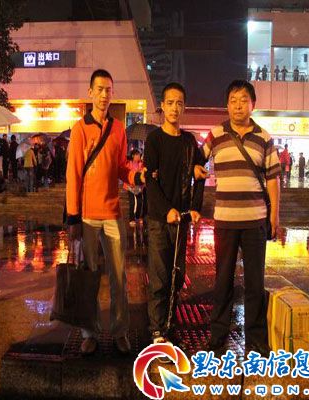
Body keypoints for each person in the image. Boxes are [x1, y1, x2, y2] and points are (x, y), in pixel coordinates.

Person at [198, 80, 281, 356]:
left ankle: (256, 339)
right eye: (233, 100)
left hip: (255, 220)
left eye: (244, 100)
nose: (238, 105)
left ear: (252, 104)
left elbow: (273, 180)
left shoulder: (264, 137)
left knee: (255, 282)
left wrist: (274, 217)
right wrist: (197, 169)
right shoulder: (215, 135)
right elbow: (197, 161)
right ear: (227, 105)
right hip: (225, 221)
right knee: (223, 280)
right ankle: (218, 335)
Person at [66, 69, 145, 355]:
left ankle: (120, 330)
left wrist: (136, 176)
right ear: (90, 93)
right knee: (89, 276)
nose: (103, 94)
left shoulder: (118, 129)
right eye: (99, 89)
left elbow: (122, 167)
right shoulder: (80, 129)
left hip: (113, 212)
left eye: (108, 89)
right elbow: (74, 173)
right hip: (87, 216)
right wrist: (73, 217)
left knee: (119, 276)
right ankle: (89, 333)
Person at [144, 82, 205, 348]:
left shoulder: (189, 142)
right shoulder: (154, 140)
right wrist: (165, 210)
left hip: (181, 221)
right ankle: (157, 329)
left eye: (179, 103)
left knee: (177, 276)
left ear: (184, 107)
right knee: (159, 276)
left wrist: (196, 207)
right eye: (170, 103)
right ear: (162, 106)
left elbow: (200, 174)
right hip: (160, 220)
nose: (174, 108)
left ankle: (170, 323)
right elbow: (150, 181)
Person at [124, 149, 146, 227]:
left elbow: (143, 172)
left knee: (140, 202)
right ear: (133, 156)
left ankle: (137, 217)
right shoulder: (129, 163)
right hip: (130, 186)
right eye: (137, 155)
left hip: (138, 187)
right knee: (132, 203)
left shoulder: (141, 164)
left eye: (139, 154)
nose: (138, 156)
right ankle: (132, 219)